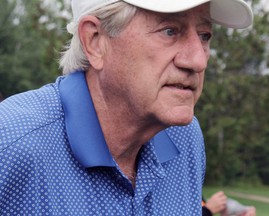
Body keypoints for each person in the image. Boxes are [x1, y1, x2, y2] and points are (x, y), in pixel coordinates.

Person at [0, 0, 253, 215]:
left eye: (204, 35)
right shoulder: (10, 142)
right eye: (169, 31)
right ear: (95, 41)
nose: (198, 60)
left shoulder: (185, 138)